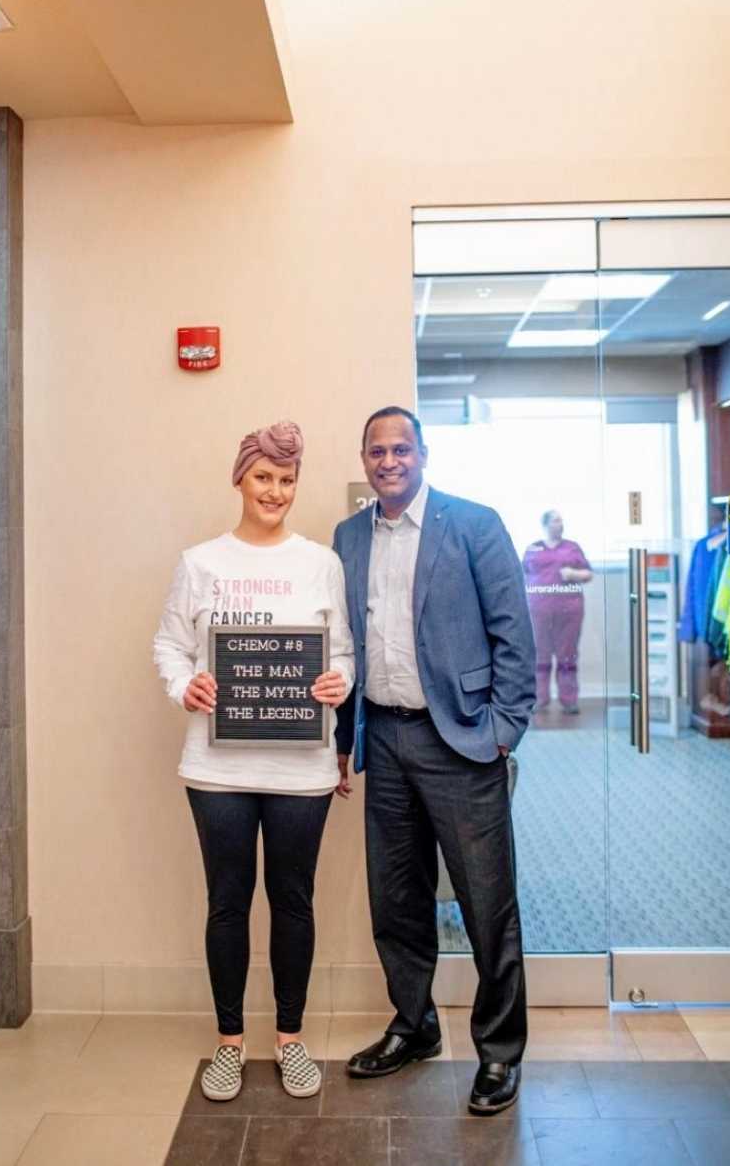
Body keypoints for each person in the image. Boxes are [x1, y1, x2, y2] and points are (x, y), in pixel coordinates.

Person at [333, 405, 534, 1116]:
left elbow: (514, 631)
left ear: (424, 453)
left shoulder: (473, 524)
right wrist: (344, 739)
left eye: (401, 449)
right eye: (376, 451)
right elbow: (345, 644)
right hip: (383, 738)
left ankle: (500, 1052)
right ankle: (414, 1025)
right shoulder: (349, 536)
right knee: (396, 899)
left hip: (461, 740)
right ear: (364, 459)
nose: (389, 461)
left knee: (487, 903)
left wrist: (504, 729)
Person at [154, 420, 353, 1102]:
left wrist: (339, 682)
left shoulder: (321, 562)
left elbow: (344, 652)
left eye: (287, 479)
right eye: (263, 476)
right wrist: (187, 686)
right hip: (217, 768)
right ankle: (229, 1043)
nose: (275, 490)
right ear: (241, 478)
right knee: (227, 903)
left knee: (293, 901)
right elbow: (169, 646)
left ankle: (291, 1040)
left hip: (302, 768)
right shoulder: (199, 562)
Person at [522, 511, 593, 715]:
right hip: (538, 611)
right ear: (545, 524)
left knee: (567, 656)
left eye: (561, 520)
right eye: (556, 520)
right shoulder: (533, 549)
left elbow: (588, 574)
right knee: (539, 655)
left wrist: (574, 574)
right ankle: (539, 699)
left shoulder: (572, 548)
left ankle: (569, 700)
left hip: (569, 611)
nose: (560, 523)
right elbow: (521, 575)